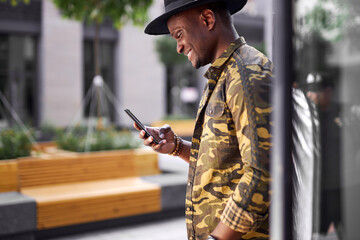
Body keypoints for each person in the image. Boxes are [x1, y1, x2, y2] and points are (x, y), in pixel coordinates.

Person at [133, 1, 273, 239]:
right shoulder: (225, 74)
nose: (178, 47)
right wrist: (177, 147)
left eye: (179, 35)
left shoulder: (247, 73)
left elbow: (263, 174)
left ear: (207, 19)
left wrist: (217, 238)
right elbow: (227, 162)